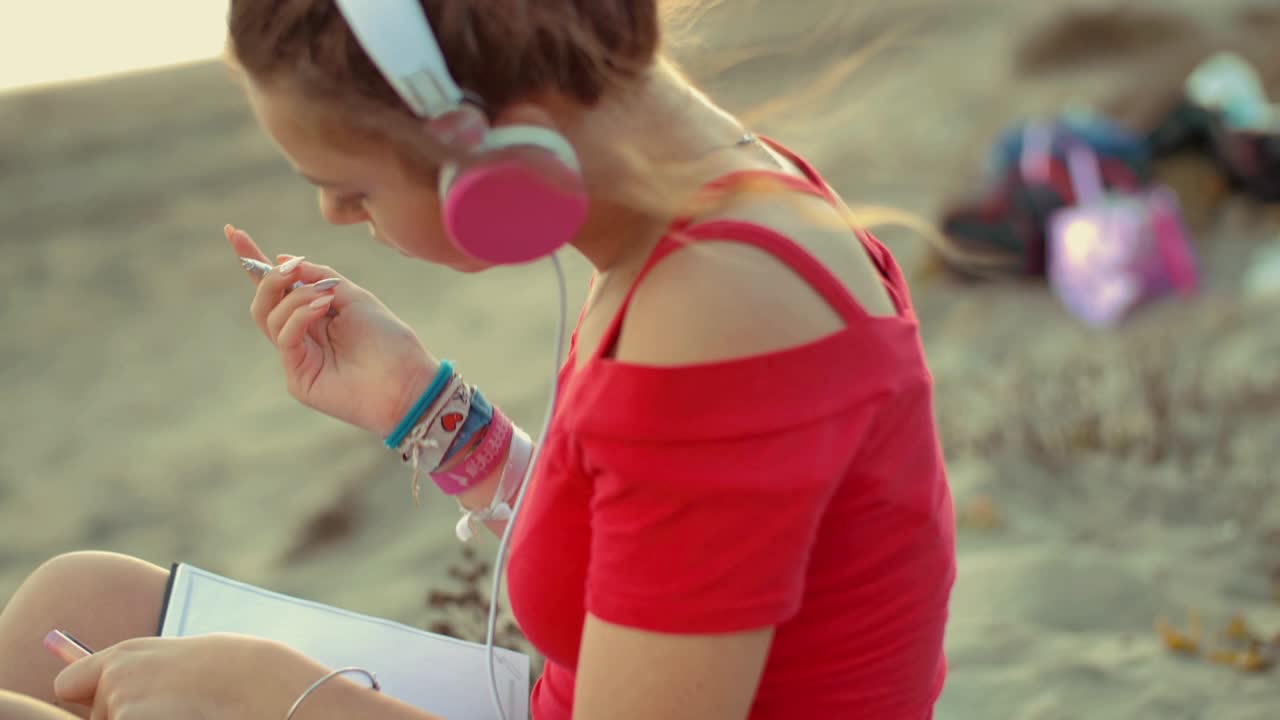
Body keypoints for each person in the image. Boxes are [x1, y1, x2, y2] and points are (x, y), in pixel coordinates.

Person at [0, 1, 955, 718]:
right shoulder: (717, 211)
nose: (335, 217)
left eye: (351, 186)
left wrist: (288, 701)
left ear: (487, 146)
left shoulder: (719, 313)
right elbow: (648, 533)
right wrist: (420, 406)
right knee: (77, 602)